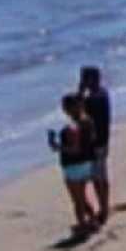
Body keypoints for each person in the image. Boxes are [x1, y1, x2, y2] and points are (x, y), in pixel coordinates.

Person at [49, 93, 99, 238]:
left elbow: (74, 148)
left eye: (65, 107)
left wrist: (57, 146)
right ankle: (92, 220)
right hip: (86, 162)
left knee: (77, 200)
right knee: (82, 196)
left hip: (73, 166)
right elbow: (90, 141)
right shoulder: (88, 121)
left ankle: (82, 225)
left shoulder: (73, 127)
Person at [78, 67, 113, 227]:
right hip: (103, 140)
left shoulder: (93, 99)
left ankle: (104, 209)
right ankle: (104, 207)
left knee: (97, 178)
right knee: (101, 176)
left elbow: (79, 111)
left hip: (95, 143)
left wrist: (80, 91)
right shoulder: (103, 94)